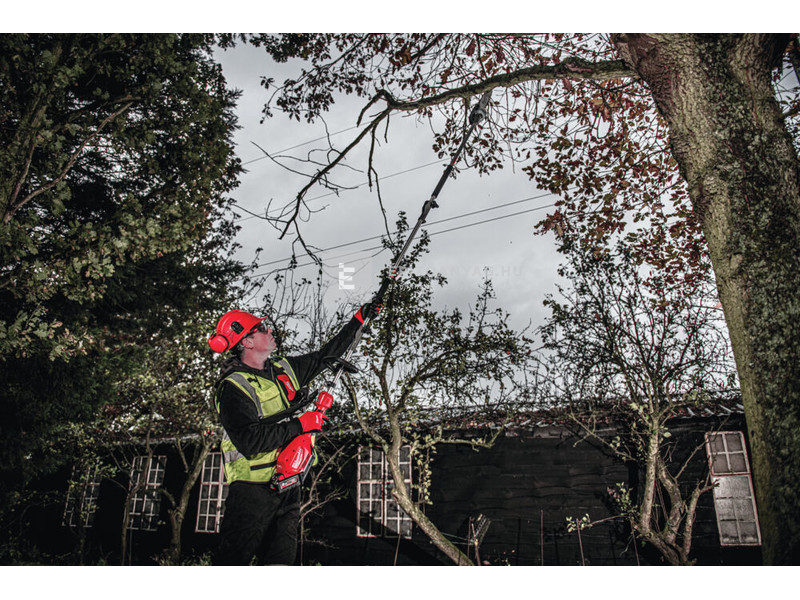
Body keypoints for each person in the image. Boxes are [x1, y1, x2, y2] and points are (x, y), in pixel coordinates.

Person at [207, 302, 379, 565]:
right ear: (248, 342)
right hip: (252, 490)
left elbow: (325, 356)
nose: (270, 330)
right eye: (261, 328)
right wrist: (302, 424)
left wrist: (359, 319)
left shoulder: (282, 370)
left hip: (287, 485)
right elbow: (250, 441)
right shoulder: (232, 387)